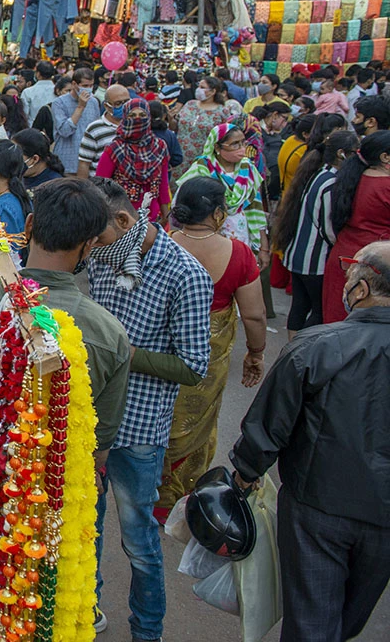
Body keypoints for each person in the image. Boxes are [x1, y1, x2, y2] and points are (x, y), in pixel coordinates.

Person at [0, 178, 132, 554]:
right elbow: (100, 438)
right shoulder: (109, 333)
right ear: (89, 246)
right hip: (52, 510)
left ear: (30, 225)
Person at [230, 240, 390, 642]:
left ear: (362, 290)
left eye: (351, 275)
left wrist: (245, 474)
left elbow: (269, 422)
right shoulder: (318, 346)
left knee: (312, 618)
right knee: (348, 617)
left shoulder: (318, 346)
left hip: (318, 504)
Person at [87, 176, 212, 640]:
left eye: (96, 238)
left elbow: (193, 365)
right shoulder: (107, 253)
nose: (90, 250)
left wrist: (120, 351)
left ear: (124, 220)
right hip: (92, 422)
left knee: (139, 543)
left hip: (138, 432)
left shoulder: (186, 274)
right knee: (86, 529)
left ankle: (147, 630)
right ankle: (88, 608)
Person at [154, 177, 266, 520]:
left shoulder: (161, 244)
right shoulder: (238, 254)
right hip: (206, 356)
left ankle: (154, 494)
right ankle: (184, 497)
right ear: (218, 213)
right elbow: (254, 314)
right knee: (197, 421)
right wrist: (256, 353)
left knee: (159, 414)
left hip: (162, 351)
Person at [276, 131, 358, 336]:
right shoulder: (331, 182)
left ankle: (292, 350)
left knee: (299, 306)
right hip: (315, 259)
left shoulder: (318, 173)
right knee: (319, 311)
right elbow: (328, 228)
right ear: (342, 154)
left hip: (298, 254)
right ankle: (301, 350)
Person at [177, 123, 271, 271]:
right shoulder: (201, 169)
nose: (241, 148)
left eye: (242, 143)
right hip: (208, 238)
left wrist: (263, 247)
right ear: (217, 147)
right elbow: (186, 206)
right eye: (234, 144)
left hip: (241, 234)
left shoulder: (248, 169)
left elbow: (255, 208)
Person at [322, 130, 390, 323]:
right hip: (375, 266)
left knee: (337, 326)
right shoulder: (385, 185)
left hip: (345, 258)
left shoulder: (353, 177)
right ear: (385, 156)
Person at [96, 99, 170, 222]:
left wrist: (165, 214)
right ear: (125, 118)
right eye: (132, 115)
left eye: (142, 115)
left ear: (149, 117)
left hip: (152, 216)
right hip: (121, 217)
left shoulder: (159, 147)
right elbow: (101, 185)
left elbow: (163, 184)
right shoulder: (115, 149)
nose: (137, 119)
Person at [172, 75, 239, 178]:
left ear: (213, 92)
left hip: (204, 160)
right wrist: (169, 117)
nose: (198, 90)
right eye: (199, 86)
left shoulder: (222, 111)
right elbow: (175, 127)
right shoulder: (189, 105)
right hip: (182, 158)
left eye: (202, 87)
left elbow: (226, 137)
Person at [51, 67, 101, 173]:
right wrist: (80, 107)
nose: (88, 89)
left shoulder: (94, 102)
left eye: (91, 85)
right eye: (85, 86)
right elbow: (64, 131)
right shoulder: (59, 103)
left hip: (89, 164)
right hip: (67, 163)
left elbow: (96, 131)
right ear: (74, 84)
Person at [76, 83, 128, 178]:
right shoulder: (95, 129)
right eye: (118, 103)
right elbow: (84, 163)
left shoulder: (135, 125)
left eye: (127, 102)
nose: (124, 106)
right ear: (107, 106)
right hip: (101, 187)